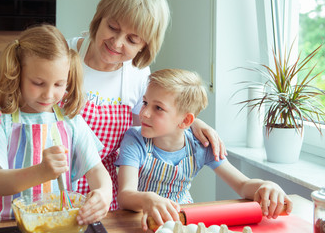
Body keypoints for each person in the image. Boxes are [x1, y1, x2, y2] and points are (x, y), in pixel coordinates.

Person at [0, 0, 226, 211]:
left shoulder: (138, 77)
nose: (117, 41)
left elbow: (155, 119)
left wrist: (191, 123)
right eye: (113, 27)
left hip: (107, 196)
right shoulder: (61, 57)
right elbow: (13, 101)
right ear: (99, 19)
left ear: (144, 48)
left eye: (133, 39)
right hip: (55, 190)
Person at [115, 69, 293, 231]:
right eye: (145, 102)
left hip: (182, 223)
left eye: (158, 108)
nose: (144, 113)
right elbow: (125, 195)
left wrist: (266, 185)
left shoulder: (200, 146)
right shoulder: (134, 139)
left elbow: (242, 185)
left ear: (185, 121)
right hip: (141, 222)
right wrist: (148, 199)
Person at [0, 24, 112, 225]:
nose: (49, 94)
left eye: (59, 84)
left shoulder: (72, 121)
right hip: (9, 224)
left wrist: (104, 193)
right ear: (17, 74)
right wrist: (41, 172)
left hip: (60, 224)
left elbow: (97, 170)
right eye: (38, 83)